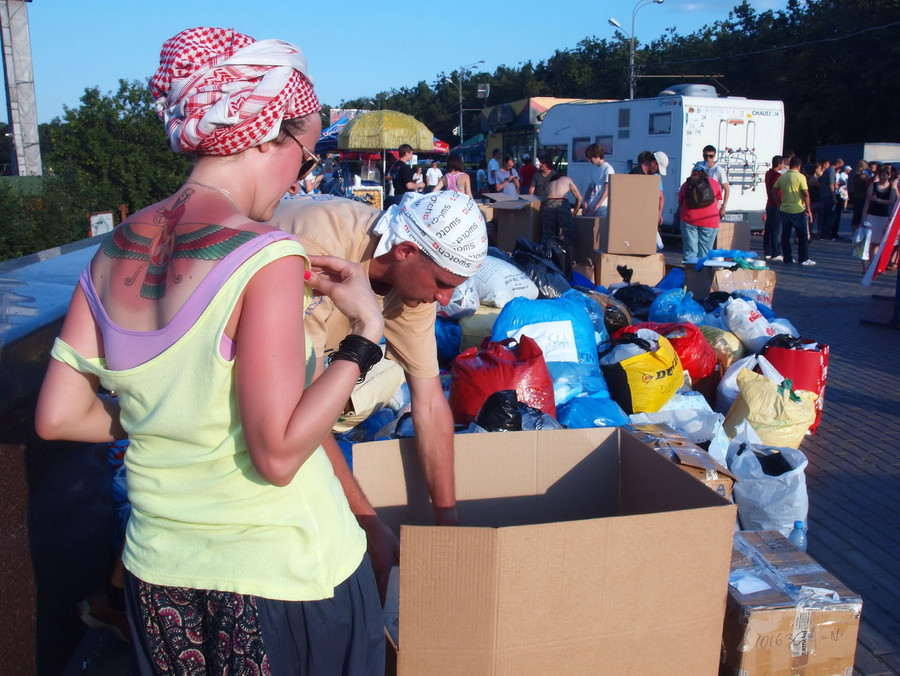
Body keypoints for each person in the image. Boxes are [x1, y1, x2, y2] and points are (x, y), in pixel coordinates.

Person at [34, 27, 386, 673]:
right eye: (306, 159)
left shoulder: (110, 250)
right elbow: (279, 455)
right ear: (265, 133)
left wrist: (171, 408)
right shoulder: (265, 254)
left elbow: (56, 417)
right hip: (283, 577)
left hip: (157, 575)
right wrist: (366, 334)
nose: (300, 181)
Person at [269, 190, 487, 598]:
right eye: (442, 284)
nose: (446, 300)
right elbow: (296, 408)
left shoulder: (413, 280)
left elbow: (428, 402)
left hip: (307, 383)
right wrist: (368, 523)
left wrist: (449, 527)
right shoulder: (314, 250)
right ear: (405, 249)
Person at [678, 161, 723, 262]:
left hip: (689, 219)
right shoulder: (714, 183)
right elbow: (719, 198)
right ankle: (702, 276)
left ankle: (690, 275)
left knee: (690, 251)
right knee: (705, 252)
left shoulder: (687, 183)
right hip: (710, 221)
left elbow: (680, 200)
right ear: (706, 172)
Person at [775, 156, 816, 266]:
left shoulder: (783, 177)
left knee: (785, 235)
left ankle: (787, 258)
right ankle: (803, 259)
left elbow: (773, 190)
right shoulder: (801, 177)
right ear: (799, 166)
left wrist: (780, 202)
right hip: (797, 209)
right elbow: (806, 194)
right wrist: (808, 209)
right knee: (802, 235)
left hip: (784, 209)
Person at [860, 164, 898, 267]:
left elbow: (891, 201)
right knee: (866, 242)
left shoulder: (891, 187)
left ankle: (873, 265)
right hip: (871, 215)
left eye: (885, 175)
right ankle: (864, 266)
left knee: (877, 243)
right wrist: (863, 218)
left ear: (889, 176)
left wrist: (877, 200)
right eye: (881, 175)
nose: (882, 177)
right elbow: (867, 202)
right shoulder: (873, 185)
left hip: (883, 217)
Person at [540, 172, 582, 257]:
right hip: (562, 203)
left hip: (548, 204)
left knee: (547, 237)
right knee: (567, 235)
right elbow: (579, 198)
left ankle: (547, 260)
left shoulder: (549, 184)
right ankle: (571, 261)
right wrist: (574, 213)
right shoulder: (567, 179)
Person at [630, 150, 668, 225]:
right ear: (653, 163)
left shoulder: (655, 177)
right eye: (658, 170)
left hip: (648, 218)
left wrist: (659, 213)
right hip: (636, 218)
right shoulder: (636, 174)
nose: (657, 172)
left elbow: (660, 196)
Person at [581, 143, 614, 217]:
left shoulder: (608, 169)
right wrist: (585, 202)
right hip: (591, 206)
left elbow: (606, 191)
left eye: (590, 158)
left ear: (596, 156)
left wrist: (596, 207)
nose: (589, 160)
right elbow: (590, 187)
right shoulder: (595, 169)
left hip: (601, 208)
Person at [763, 155, 784, 261]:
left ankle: (767, 251)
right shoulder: (778, 176)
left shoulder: (768, 174)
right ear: (780, 164)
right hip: (776, 205)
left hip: (769, 204)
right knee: (776, 230)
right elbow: (776, 191)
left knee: (768, 229)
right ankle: (776, 252)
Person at [701, 145, 730, 219]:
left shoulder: (718, 170)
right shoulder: (700, 167)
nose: (708, 158)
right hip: (701, 203)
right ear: (703, 155)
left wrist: (723, 206)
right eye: (706, 156)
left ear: (714, 156)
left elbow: (726, 188)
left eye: (710, 156)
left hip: (714, 203)